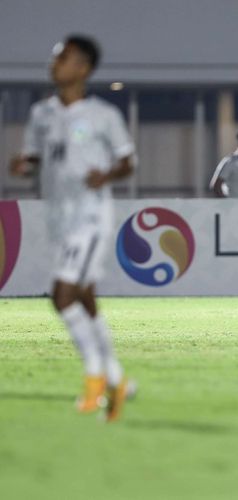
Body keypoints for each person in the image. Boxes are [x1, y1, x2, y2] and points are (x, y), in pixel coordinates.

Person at [8, 35, 134, 421]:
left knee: (61, 295)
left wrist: (108, 174)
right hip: (59, 218)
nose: (54, 63)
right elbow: (35, 156)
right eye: (55, 57)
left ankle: (95, 378)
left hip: (91, 216)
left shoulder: (103, 115)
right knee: (84, 298)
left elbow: (127, 162)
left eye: (62, 58)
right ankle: (117, 379)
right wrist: (24, 165)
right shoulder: (42, 114)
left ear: (83, 68)